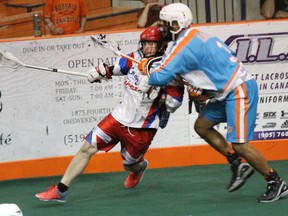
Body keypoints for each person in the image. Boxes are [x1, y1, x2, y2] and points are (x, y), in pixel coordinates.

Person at [141, 3, 288, 203]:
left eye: (166, 24)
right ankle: (237, 164)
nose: (163, 28)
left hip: (238, 90)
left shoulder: (181, 46)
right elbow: (208, 68)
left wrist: (147, 68)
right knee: (202, 126)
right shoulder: (196, 35)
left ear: (176, 23)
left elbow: (158, 77)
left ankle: (276, 182)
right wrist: (204, 91)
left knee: (241, 145)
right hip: (228, 90)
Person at [35, 27, 184, 202]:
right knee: (87, 148)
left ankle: (139, 168)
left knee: (129, 163)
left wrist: (158, 91)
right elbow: (114, 69)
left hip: (142, 127)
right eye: (145, 43)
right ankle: (61, 190)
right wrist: (98, 72)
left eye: (152, 43)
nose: (148, 47)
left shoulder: (167, 68)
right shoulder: (134, 58)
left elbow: (175, 102)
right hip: (118, 117)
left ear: (160, 45)